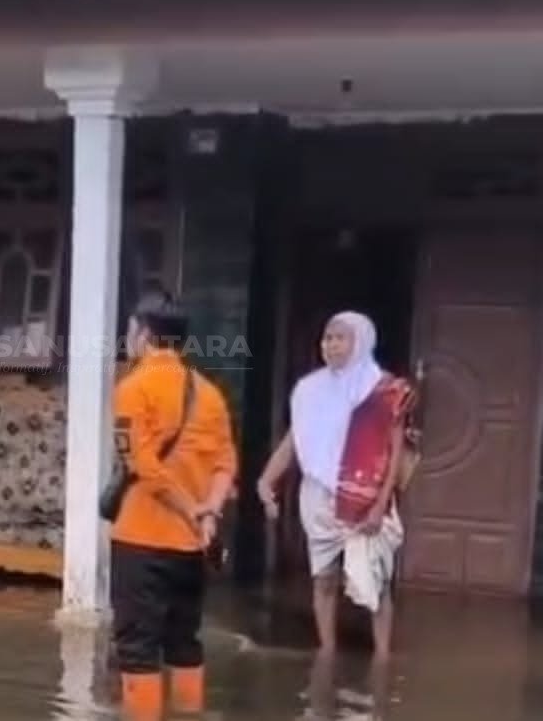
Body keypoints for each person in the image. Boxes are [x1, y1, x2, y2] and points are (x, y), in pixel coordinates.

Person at [110, 290, 238, 721]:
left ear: (144, 334)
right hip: (192, 545)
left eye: (130, 329)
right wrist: (208, 513)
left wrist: (190, 509)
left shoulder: (132, 388)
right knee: (185, 641)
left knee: (138, 648)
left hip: (141, 541)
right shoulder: (210, 393)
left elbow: (141, 465)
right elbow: (226, 463)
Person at [257, 311, 414, 659]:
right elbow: (295, 440)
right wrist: (267, 480)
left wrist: (380, 504)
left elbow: (394, 452)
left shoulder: (385, 391)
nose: (330, 345)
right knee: (324, 578)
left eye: (340, 338)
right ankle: (326, 653)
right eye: (327, 338)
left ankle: (382, 660)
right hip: (318, 497)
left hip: (366, 498)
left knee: (375, 580)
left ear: (361, 341)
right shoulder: (309, 390)